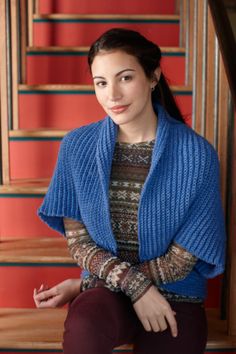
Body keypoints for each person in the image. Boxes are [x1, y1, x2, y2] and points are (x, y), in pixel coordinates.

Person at [33, 28, 226, 354]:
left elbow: (182, 259)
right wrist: (134, 287)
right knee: (85, 328)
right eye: (101, 82)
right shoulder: (77, 147)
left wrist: (87, 282)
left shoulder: (196, 155)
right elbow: (79, 243)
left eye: (125, 78)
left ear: (153, 76)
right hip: (108, 292)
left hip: (176, 294)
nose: (113, 95)